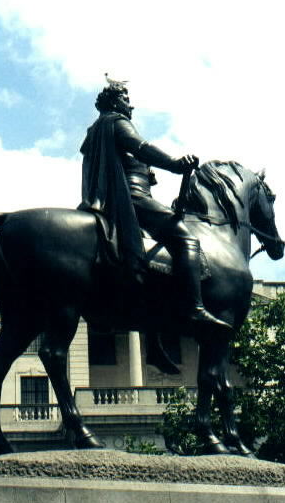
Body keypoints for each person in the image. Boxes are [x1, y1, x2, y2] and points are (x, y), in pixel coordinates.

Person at [79, 78, 232, 334]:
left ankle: (157, 334)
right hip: (133, 199)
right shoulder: (117, 122)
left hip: (110, 200)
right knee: (187, 240)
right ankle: (195, 308)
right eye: (126, 99)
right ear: (115, 101)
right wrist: (175, 163)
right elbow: (141, 148)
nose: (131, 105)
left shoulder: (93, 132)